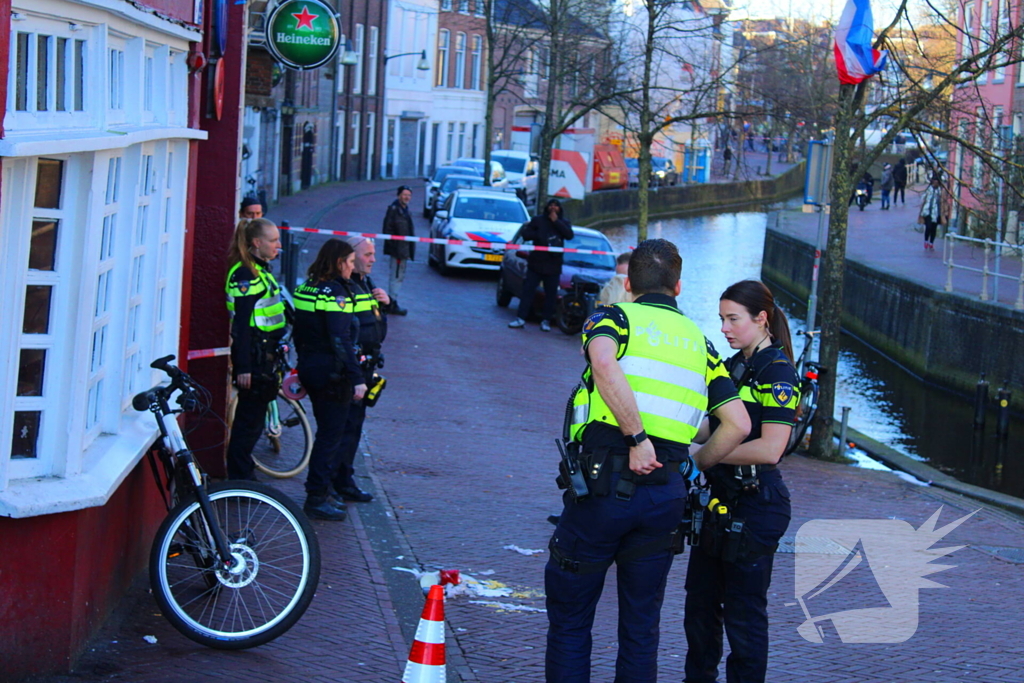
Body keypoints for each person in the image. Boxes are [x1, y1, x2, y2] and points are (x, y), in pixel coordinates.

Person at [545, 239, 751, 683]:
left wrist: (637, 438)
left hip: (603, 489)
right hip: (663, 499)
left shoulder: (614, 317)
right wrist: (694, 466)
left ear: (627, 282)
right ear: (678, 286)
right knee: (641, 627)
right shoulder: (701, 344)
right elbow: (737, 423)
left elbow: (602, 362)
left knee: (571, 618)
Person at [683, 279, 797, 683]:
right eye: (721, 319)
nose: (725, 328)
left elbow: (771, 449)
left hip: (755, 503)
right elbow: (711, 426)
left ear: (761, 319)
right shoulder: (734, 365)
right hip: (720, 502)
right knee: (699, 607)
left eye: (733, 319)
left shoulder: (778, 371)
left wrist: (705, 458)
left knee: (744, 616)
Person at [292, 239, 367, 521]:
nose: (352, 267)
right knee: (330, 435)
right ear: (338, 262)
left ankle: (321, 492)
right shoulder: (336, 294)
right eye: (349, 262)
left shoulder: (305, 288)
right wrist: (356, 377)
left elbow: (299, 332)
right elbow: (340, 338)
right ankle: (317, 496)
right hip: (332, 373)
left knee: (325, 431)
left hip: (310, 367)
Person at [225, 218, 288, 480]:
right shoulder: (245, 275)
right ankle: (240, 480)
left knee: (253, 423)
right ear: (256, 243)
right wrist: (244, 368)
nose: (279, 245)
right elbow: (241, 325)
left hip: (266, 357)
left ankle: (244, 476)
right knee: (247, 425)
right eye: (273, 240)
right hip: (254, 358)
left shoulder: (260, 270)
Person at [330, 236, 391, 503]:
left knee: (353, 428)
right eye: (366, 254)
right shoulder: (344, 287)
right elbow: (341, 333)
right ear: (351, 257)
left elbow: (371, 324)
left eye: (373, 254)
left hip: (365, 366)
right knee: (341, 429)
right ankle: (331, 484)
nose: (372, 259)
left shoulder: (365, 283)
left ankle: (345, 479)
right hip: (350, 370)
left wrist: (383, 306)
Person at [508, 199, 574, 331]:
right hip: (536, 263)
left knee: (551, 295)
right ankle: (520, 318)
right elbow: (525, 234)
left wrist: (556, 222)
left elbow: (569, 235)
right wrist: (539, 235)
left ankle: (546, 321)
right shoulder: (538, 220)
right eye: (551, 205)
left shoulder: (564, 223)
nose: (553, 208)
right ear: (547, 207)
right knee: (528, 291)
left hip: (553, 265)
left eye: (556, 206)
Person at [382, 185, 415, 316]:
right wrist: (394, 247)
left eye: (409, 195)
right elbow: (387, 229)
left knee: (399, 276)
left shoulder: (405, 210)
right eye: (404, 194)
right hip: (398, 250)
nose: (407, 197)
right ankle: (391, 303)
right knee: (396, 276)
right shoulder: (394, 210)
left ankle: (392, 300)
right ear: (399, 195)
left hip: (404, 249)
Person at [919, 174, 943, 250]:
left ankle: (931, 242)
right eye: (934, 181)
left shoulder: (940, 191)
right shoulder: (928, 190)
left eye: (937, 182)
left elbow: (943, 202)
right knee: (928, 227)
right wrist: (921, 210)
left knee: (934, 228)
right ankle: (926, 241)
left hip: (936, 212)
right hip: (927, 211)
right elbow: (923, 199)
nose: (935, 183)